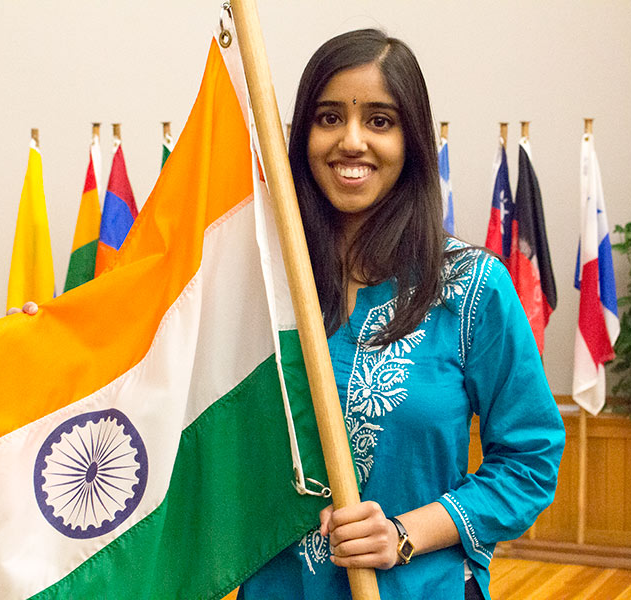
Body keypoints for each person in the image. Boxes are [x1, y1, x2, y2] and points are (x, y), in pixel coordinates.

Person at [237, 29, 565, 600]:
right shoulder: (261, 283)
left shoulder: (472, 288)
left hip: (421, 587)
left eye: (380, 121)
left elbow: (529, 461)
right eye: (329, 117)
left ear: (412, 140)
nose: (352, 141)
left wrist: (402, 534)